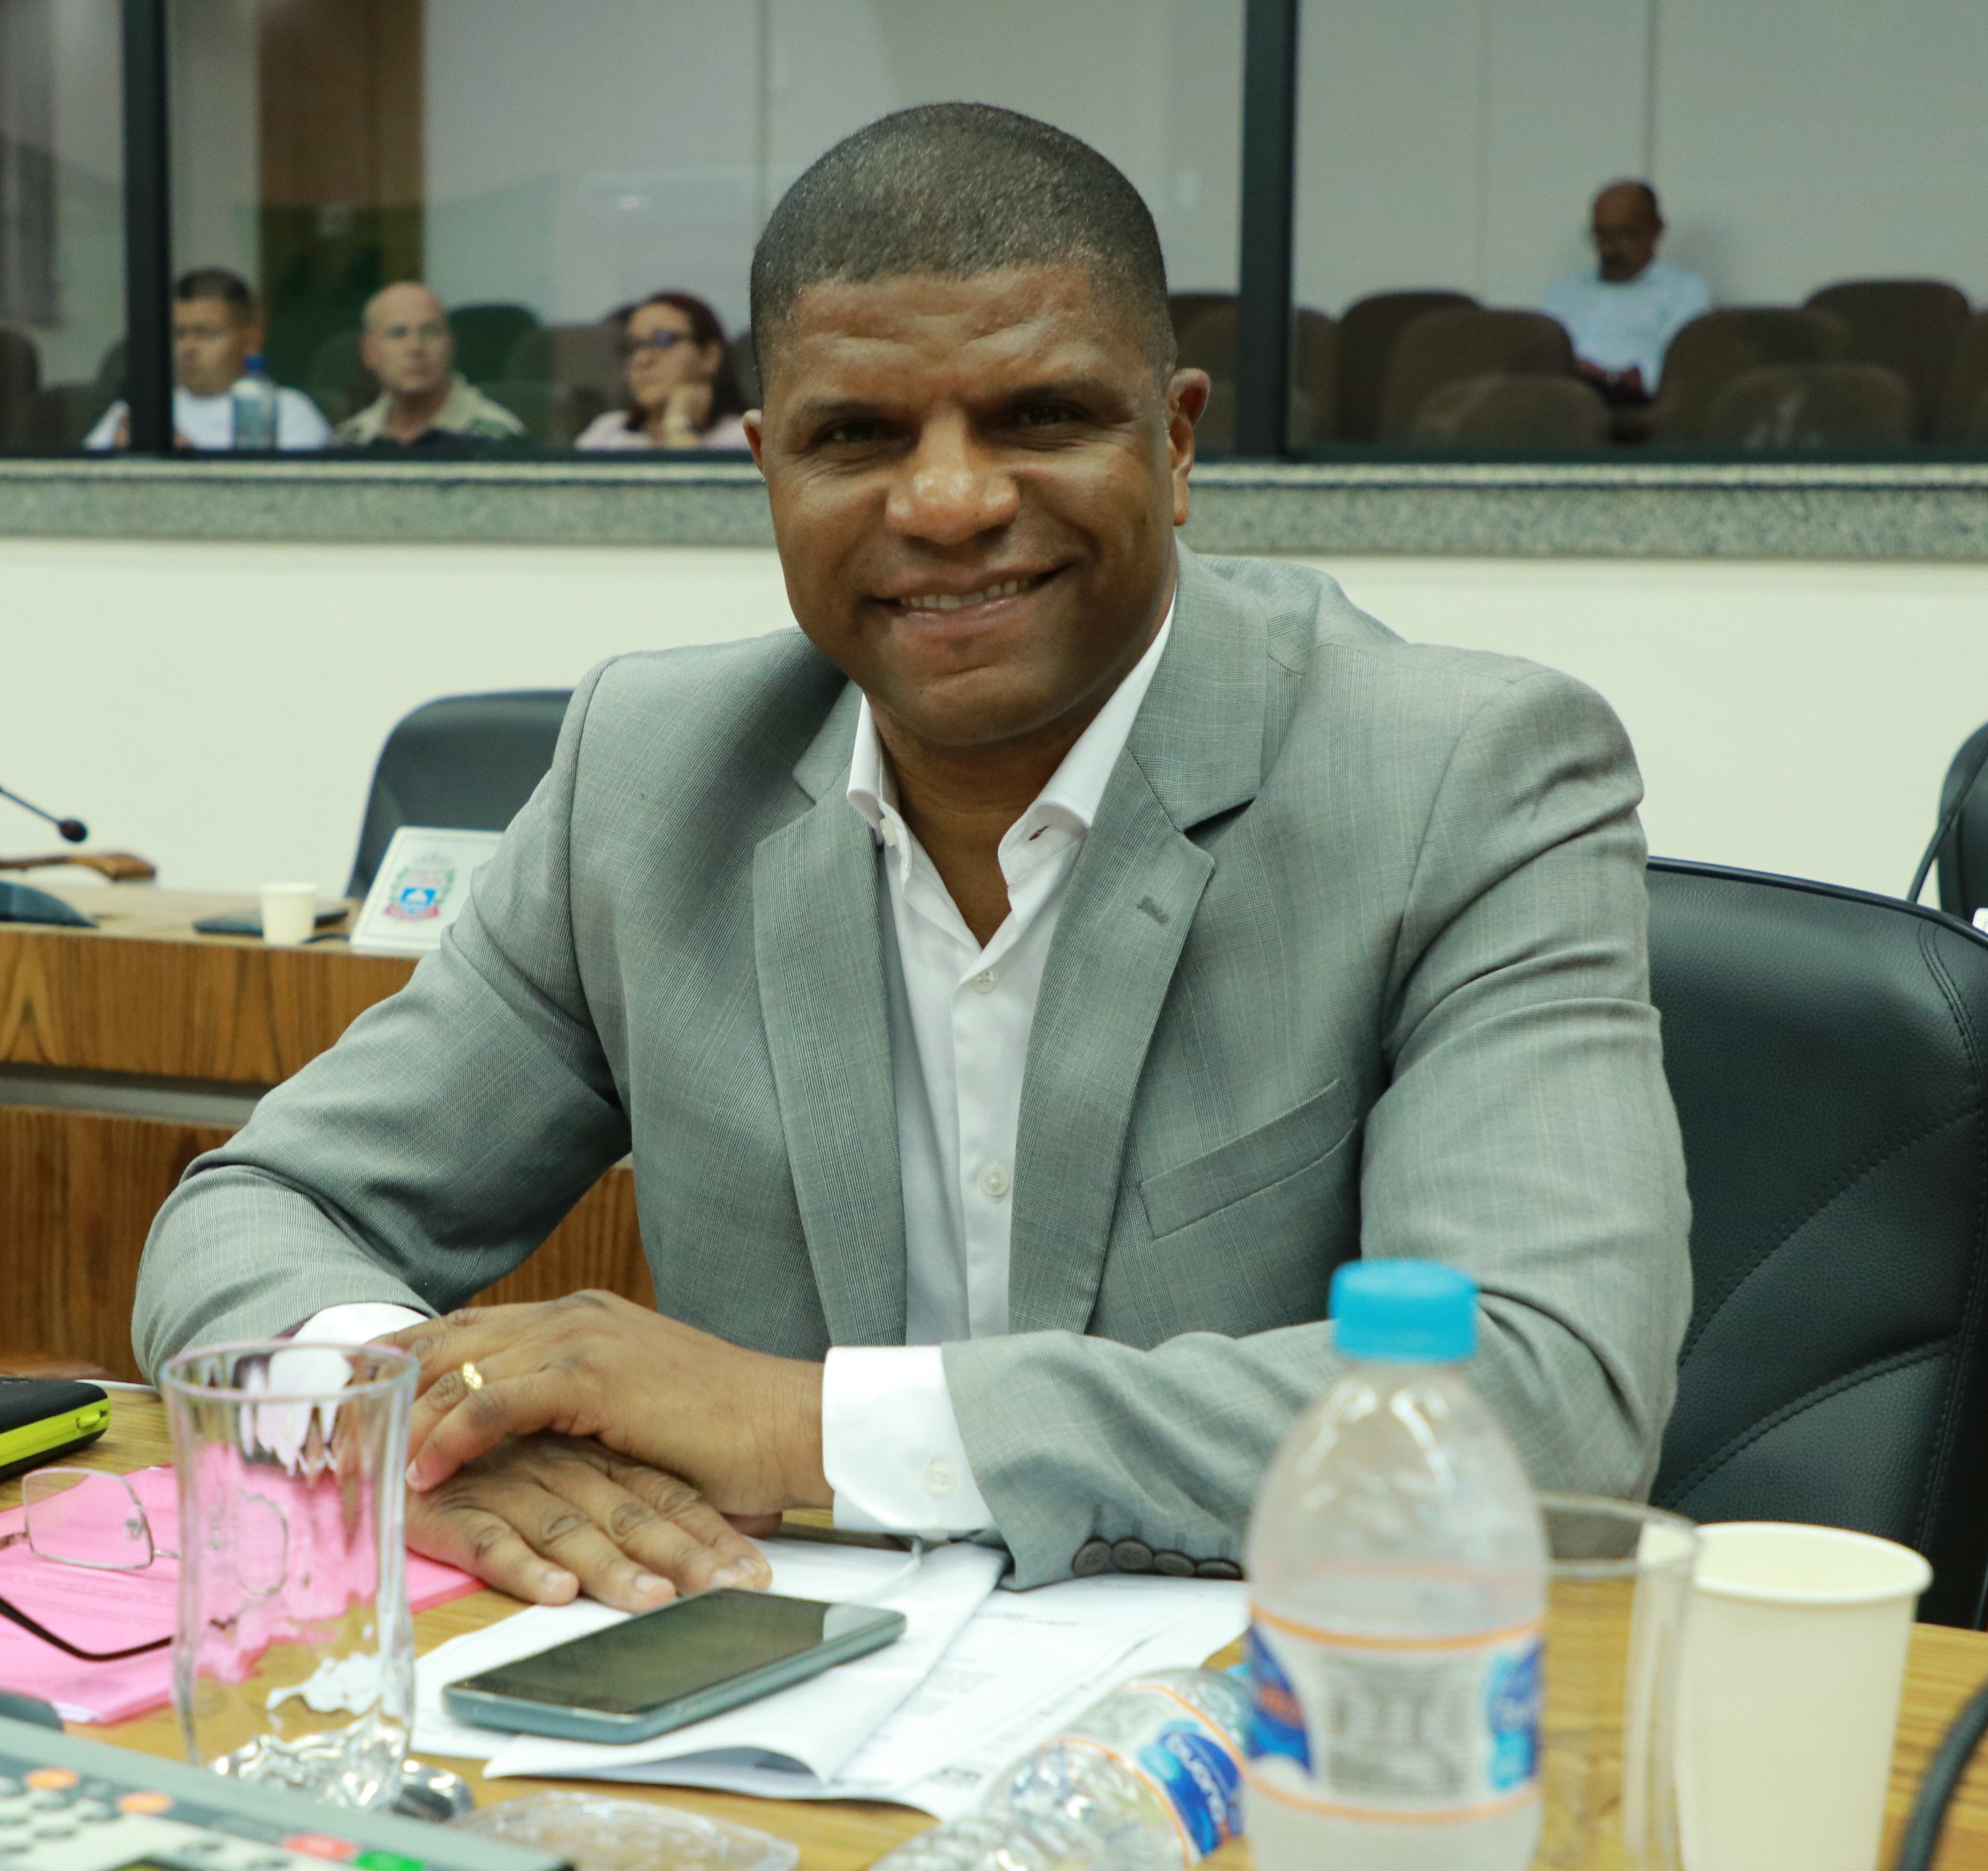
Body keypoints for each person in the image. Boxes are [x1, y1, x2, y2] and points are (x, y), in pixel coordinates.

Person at [135, 104, 1689, 1610]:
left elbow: (1546, 1398)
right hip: (761, 1697)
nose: (949, 503)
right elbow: (258, 1212)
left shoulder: (1459, 774)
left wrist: (805, 1425)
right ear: (769, 469)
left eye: (1040, 417)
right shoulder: (650, 778)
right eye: (857, 436)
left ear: (1175, 440)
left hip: (1276, 1709)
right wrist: (411, 1427)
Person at [84, 267, 329, 451]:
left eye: (206, 333)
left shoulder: (288, 412)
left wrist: (188, 464)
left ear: (252, 340)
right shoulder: (140, 413)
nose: (187, 347)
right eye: (178, 334)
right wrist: (117, 458)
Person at [1539, 181, 1712, 401]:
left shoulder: (1683, 290)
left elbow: (1680, 370)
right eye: (1601, 235)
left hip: (1630, 406)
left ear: (1656, 229)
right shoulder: (1564, 290)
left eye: (1623, 235)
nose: (1609, 249)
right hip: (1554, 399)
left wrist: (1609, 377)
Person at [332, 282, 528, 447]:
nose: (416, 347)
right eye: (398, 333)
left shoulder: (498, 440)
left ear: (450, 346)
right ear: (370, 353)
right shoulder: (351, 442)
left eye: (430, 331)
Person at [575, 291, 752, 449]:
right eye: (633, 346)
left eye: (664, 340)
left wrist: (677, 426)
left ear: (709, 356)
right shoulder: (608, 433)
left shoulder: (743, 438)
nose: (642, 360)